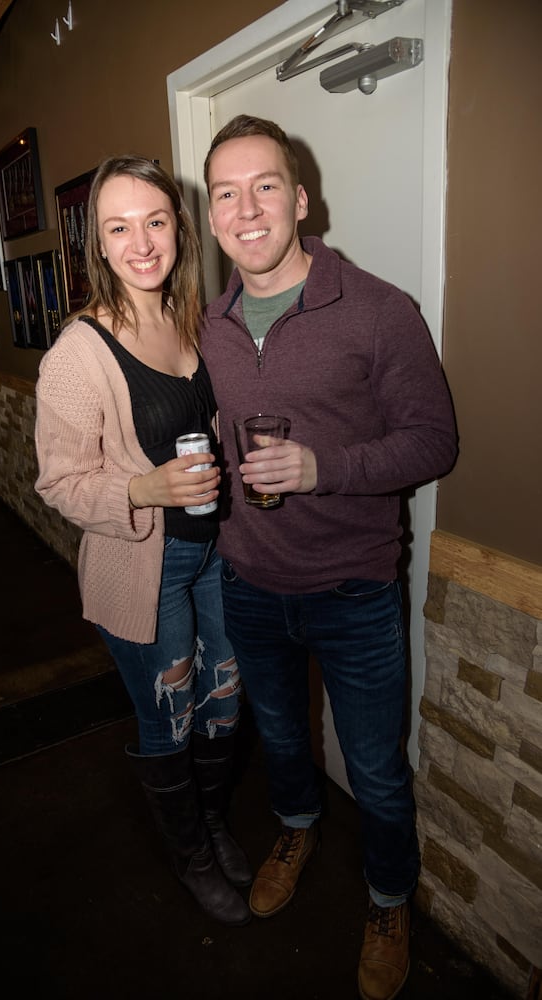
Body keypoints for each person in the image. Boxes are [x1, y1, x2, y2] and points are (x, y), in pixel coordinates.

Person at [200, 115, 458, 998]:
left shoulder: (381, 311)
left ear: (301, 199)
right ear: (211, 217)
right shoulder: (211, 326)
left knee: (379, 770)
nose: (246, 208)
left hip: (353, 591)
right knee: (279, 740)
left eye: (264, 185)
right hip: (249, 582)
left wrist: (325, 468)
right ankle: (297, 826)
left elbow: (433, 443)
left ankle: (389, 900)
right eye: (225, 193)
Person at [34, 155, 251, 926]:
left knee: (225, 702)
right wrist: (142, 488)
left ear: (178, 228)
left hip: (217, 557)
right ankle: (191, 855)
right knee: (172, 716)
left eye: (155, 220)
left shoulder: (194, 321)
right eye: (118, 227)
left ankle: (214, 818)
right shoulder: (78, 353)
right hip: (145, 569)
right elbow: (59, 483)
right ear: (96, 244)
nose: (141, 242)